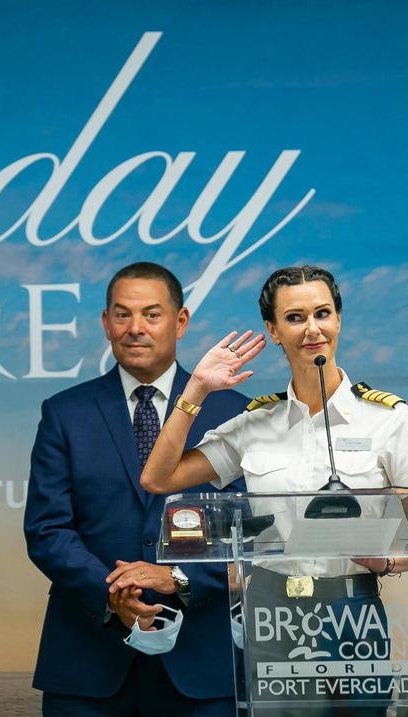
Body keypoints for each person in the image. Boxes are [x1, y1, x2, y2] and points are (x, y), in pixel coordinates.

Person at [135, 265, 408, 715]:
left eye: (323, 313)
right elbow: (158, 478)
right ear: (273, 331)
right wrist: (197, 388)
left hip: (352, 604)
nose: (312, 328)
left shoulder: (389, 419)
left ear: (339, 321)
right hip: (274, 608)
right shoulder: (257, 423)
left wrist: (390, 561)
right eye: (295, 318)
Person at [24, 261, 249, 717]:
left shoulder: (236, 414)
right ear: (106, 323)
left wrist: (179, 580)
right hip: (88, 660)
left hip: (205, 665)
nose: (135, 328)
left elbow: (253, 534)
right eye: (122, 315)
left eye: (151, 314)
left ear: (180, 322)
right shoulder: (65, 413)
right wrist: (112, 592)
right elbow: (47, 530)